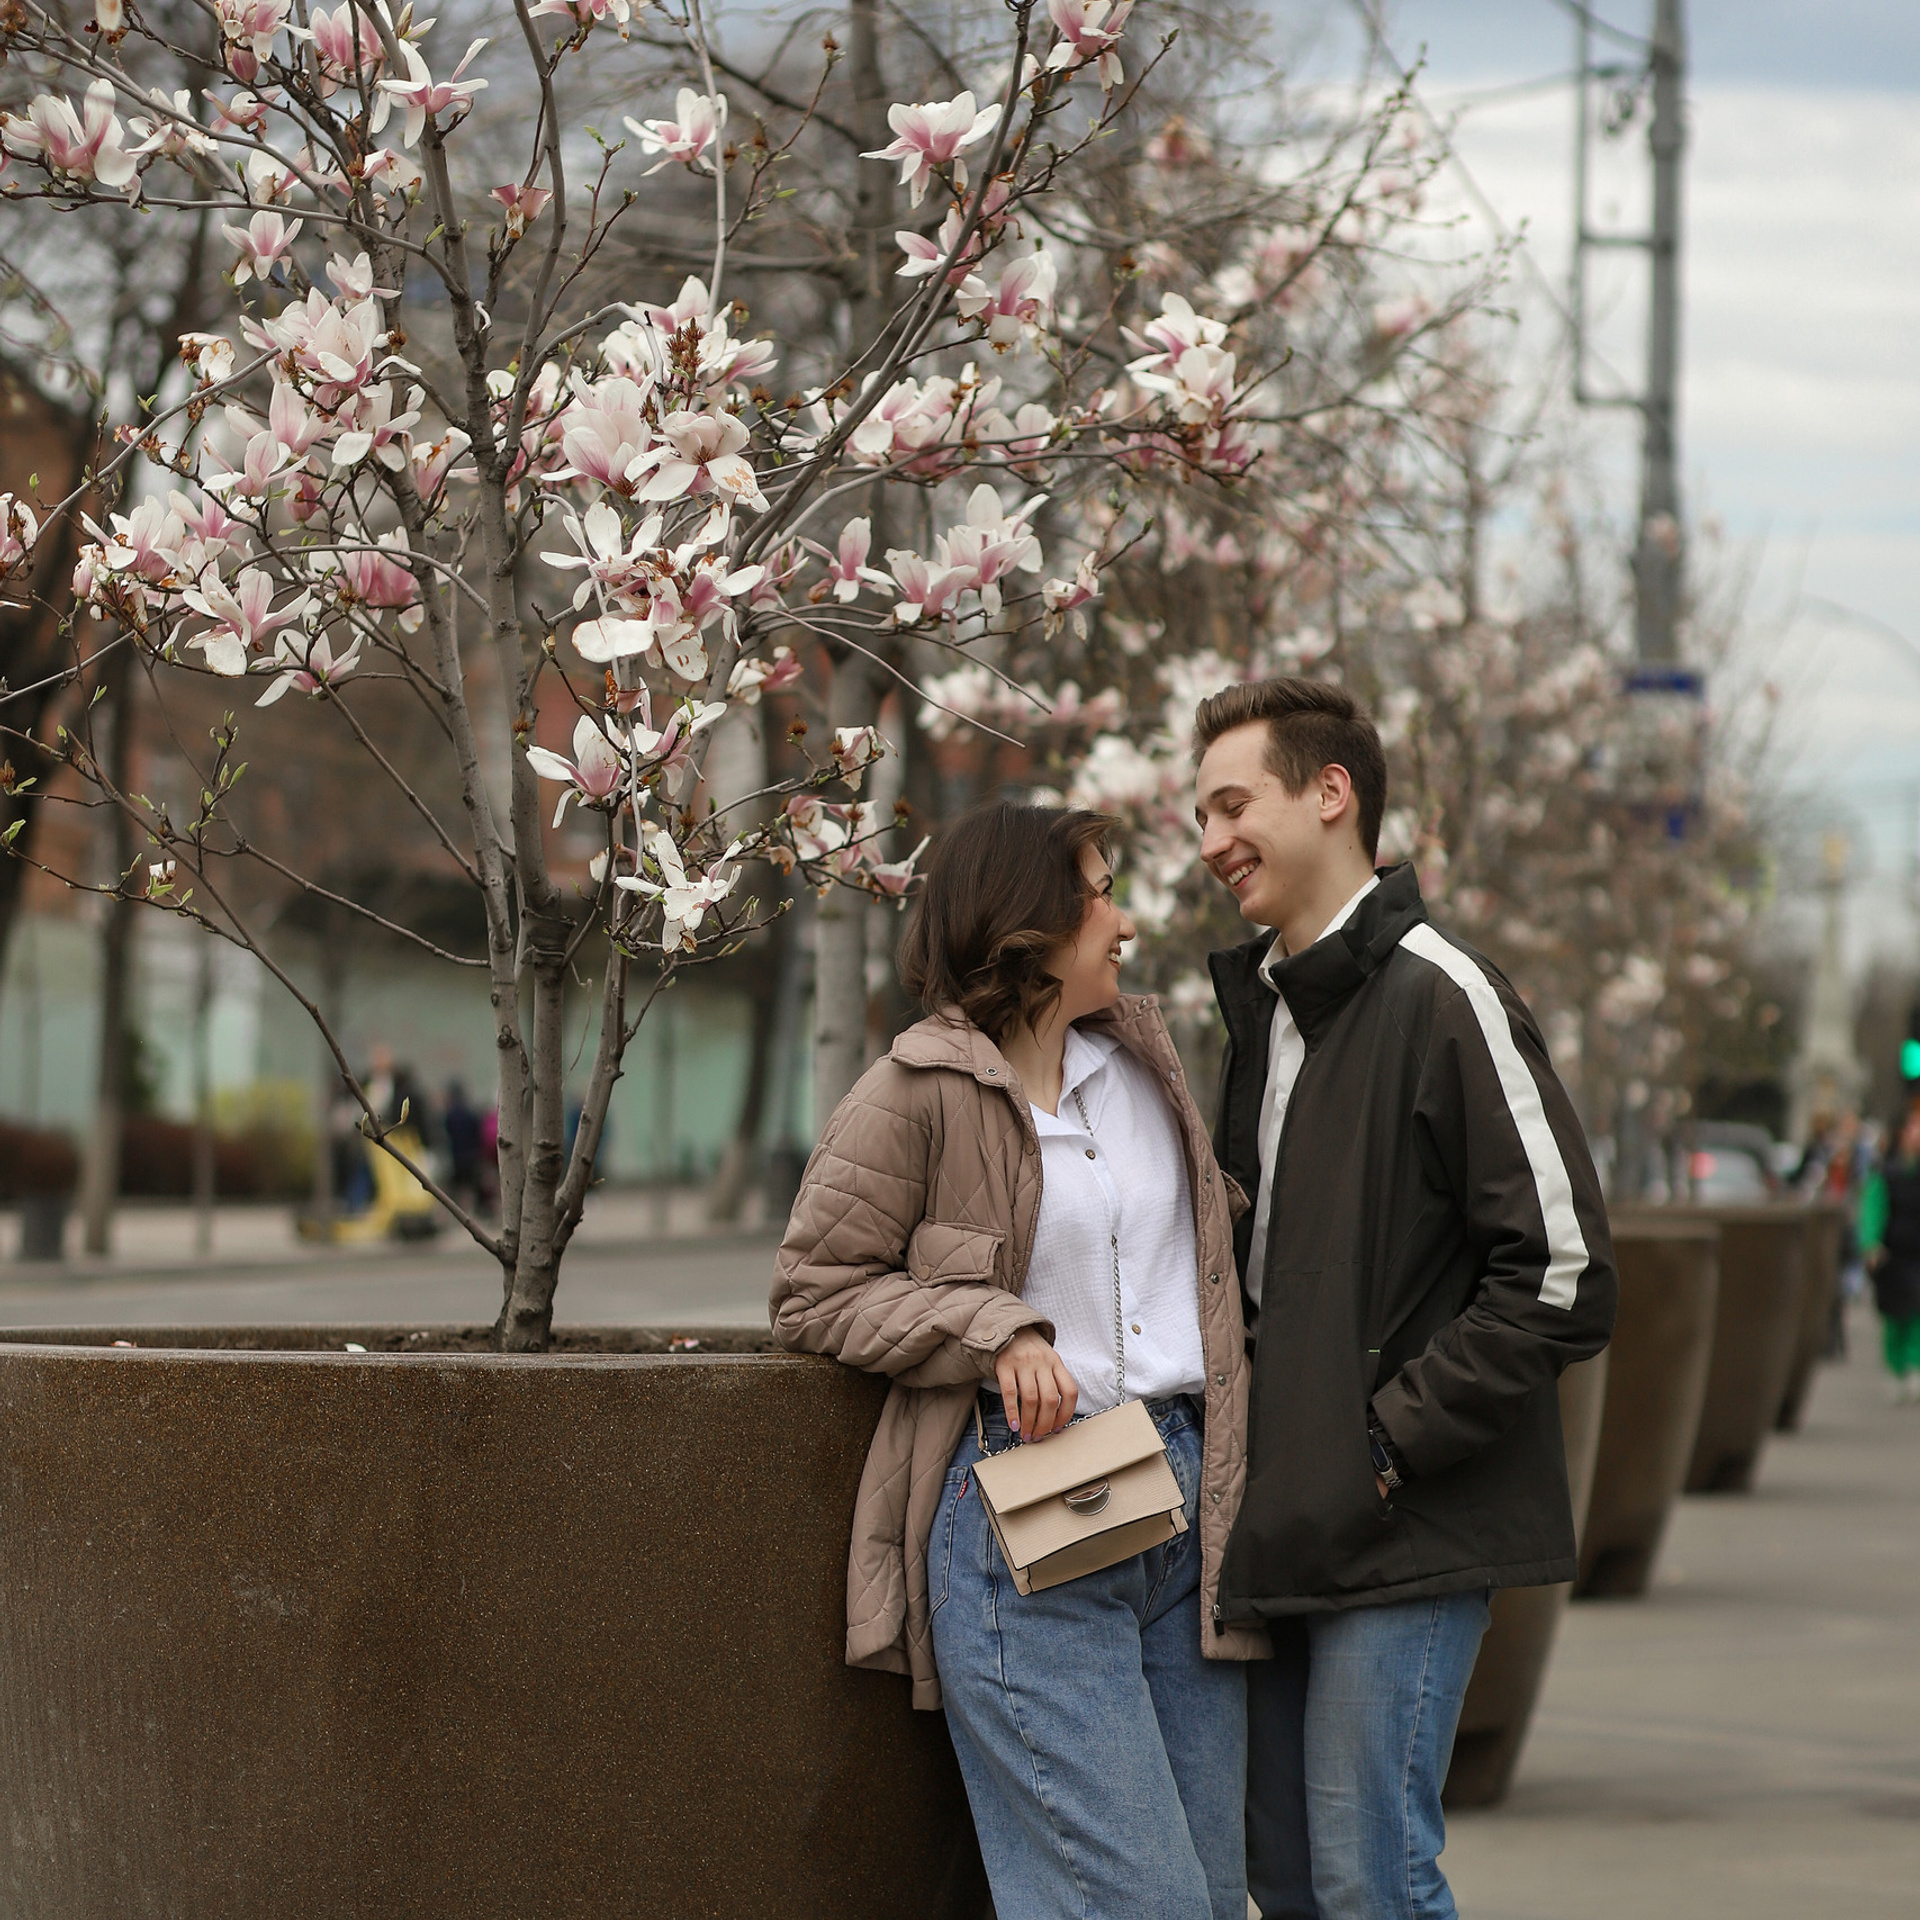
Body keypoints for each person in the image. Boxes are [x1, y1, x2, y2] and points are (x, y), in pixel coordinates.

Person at [771, 802, 1265, 1920]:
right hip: (1033, 1522)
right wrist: (995, 1328)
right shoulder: (915, 1092)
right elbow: (812, 1290)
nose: (1123, 918)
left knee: (1207, 1893)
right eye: (1097, 893)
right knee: (1145, 1904)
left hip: (1189, 1512)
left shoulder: (1145, 1072)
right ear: (1027, 925)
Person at [1192, 678, 1617, 1920]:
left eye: (1233, 804)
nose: (1209, 842)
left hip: (1409, 1527)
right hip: (1284, 1523)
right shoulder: (1266, 1019)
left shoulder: (1446, 993)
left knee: (1368, 1879)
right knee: (1290, 1880)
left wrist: (1386, 1446)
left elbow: (1565, 1273)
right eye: (1200, 813)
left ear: (1332, 795)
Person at [1859, 1104, 1920, 1402]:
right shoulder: (1887, 1171)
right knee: (1894, 1314)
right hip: (1893, 1254)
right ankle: (1895, 1368)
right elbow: (1873, 1208)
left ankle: (1914, 1366)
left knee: (1917, 1313)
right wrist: (1871, 1244)